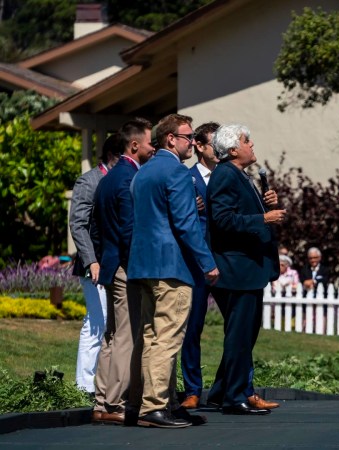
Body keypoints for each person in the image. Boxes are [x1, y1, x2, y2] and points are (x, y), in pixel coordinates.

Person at [127, 113, 219, 428]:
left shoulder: (142, 173)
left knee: (151, 336)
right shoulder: (177, 173)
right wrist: (208, 263)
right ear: (171, 139)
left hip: (141, 265)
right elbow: (186, 223)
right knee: (166, 337)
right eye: (188, 136)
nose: (192, 142)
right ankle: (155, 408)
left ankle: (145, 405)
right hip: (171, 266)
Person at [205, 123, 285, 415]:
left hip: (248, 270)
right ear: (232, 149)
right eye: (246, 140)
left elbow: (239, 213)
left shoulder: (239, 175)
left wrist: (265, 208)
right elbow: (223, 220)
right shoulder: (226, 175)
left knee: (244, 333)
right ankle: (235, 396)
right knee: (240, 335)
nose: (251, 144)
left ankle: (221, 391)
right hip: (236, 270)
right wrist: (263, 220)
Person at [92, 118, 155, 425]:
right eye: (149, 142)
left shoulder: (108, 177)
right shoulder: (128, 178)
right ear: (134, 145)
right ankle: (115, 403)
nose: (152, 147)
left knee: (112, 335)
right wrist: (138, 268)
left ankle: (102, 400)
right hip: (125, 267)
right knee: (126, 337)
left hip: (110, 263)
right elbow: (129, 229)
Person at [70, 134, 123, 396]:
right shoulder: (89, 180)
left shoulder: (118, 180)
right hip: (93, 265)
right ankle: (84, 385)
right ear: (115, 155)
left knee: (111, 325)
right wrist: (91, 260)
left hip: (113, 263)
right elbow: (78, 224)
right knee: (96, 321)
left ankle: (103, 382)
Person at [180, 122, 220, 411]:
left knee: (239, 328)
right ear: (199, 147)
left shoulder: (231, 177)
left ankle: (229, 387)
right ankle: (192, 389)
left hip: (225, 263)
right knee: (192, 329)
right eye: (214, 144)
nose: (220, 150)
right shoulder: (188, 179)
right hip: (196, 265)